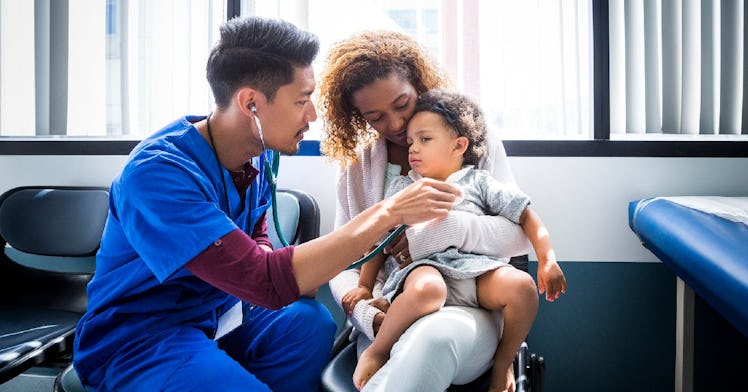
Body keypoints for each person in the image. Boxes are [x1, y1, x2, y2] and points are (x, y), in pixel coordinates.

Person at [72, 17, 463, 392]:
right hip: (142, 335)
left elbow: (256, 230)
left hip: (220, 314)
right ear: (251, 103)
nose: (312, 116)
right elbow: (264, 282)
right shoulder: (158, 176)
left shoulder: (260, 151)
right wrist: (390, 212)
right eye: (302, 101)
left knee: (309, 323)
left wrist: (274, 263)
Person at [318, 30, 564, 391]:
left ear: (419, 83)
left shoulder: (471, 144)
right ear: (358, 117)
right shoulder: (358, 169)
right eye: (376, 117)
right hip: (394, 311)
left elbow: (517, 236)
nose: (397, 125)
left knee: (435, 337)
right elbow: (344, 260)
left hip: (472, 307)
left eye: (402, 104)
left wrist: (439, 231)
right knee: (419, 328)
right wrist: (368, 314)